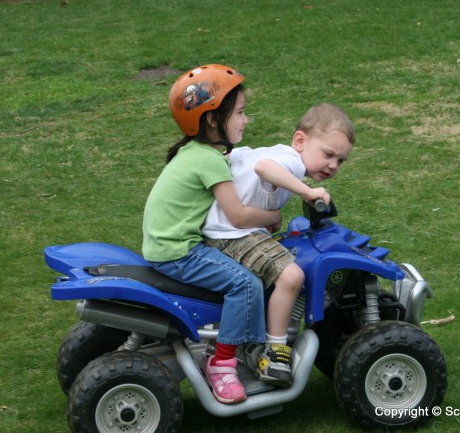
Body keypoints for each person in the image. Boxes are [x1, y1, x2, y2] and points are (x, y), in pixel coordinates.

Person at [142, 64, 282, 404]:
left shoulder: (195, 152)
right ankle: (221, 363)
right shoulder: (209, 161)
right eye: (240, 112)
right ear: (211, 120)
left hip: (163, 244)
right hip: (178, 252)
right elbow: (237, 215)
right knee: (245, 282)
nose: (246, 120)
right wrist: (272, 215)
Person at [203, 103, 355, 386]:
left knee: (278, 264)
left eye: (340, 161)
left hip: (229, 230)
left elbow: (240, 158)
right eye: (328, 154)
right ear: (300, 141)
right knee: (291, 274)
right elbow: (263, 168)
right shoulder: (291, 162)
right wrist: (308, 192)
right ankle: (275, 352)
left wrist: (264, 215)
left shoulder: (272, 151)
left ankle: (252, 338)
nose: (333, 165)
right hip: (231, 236)